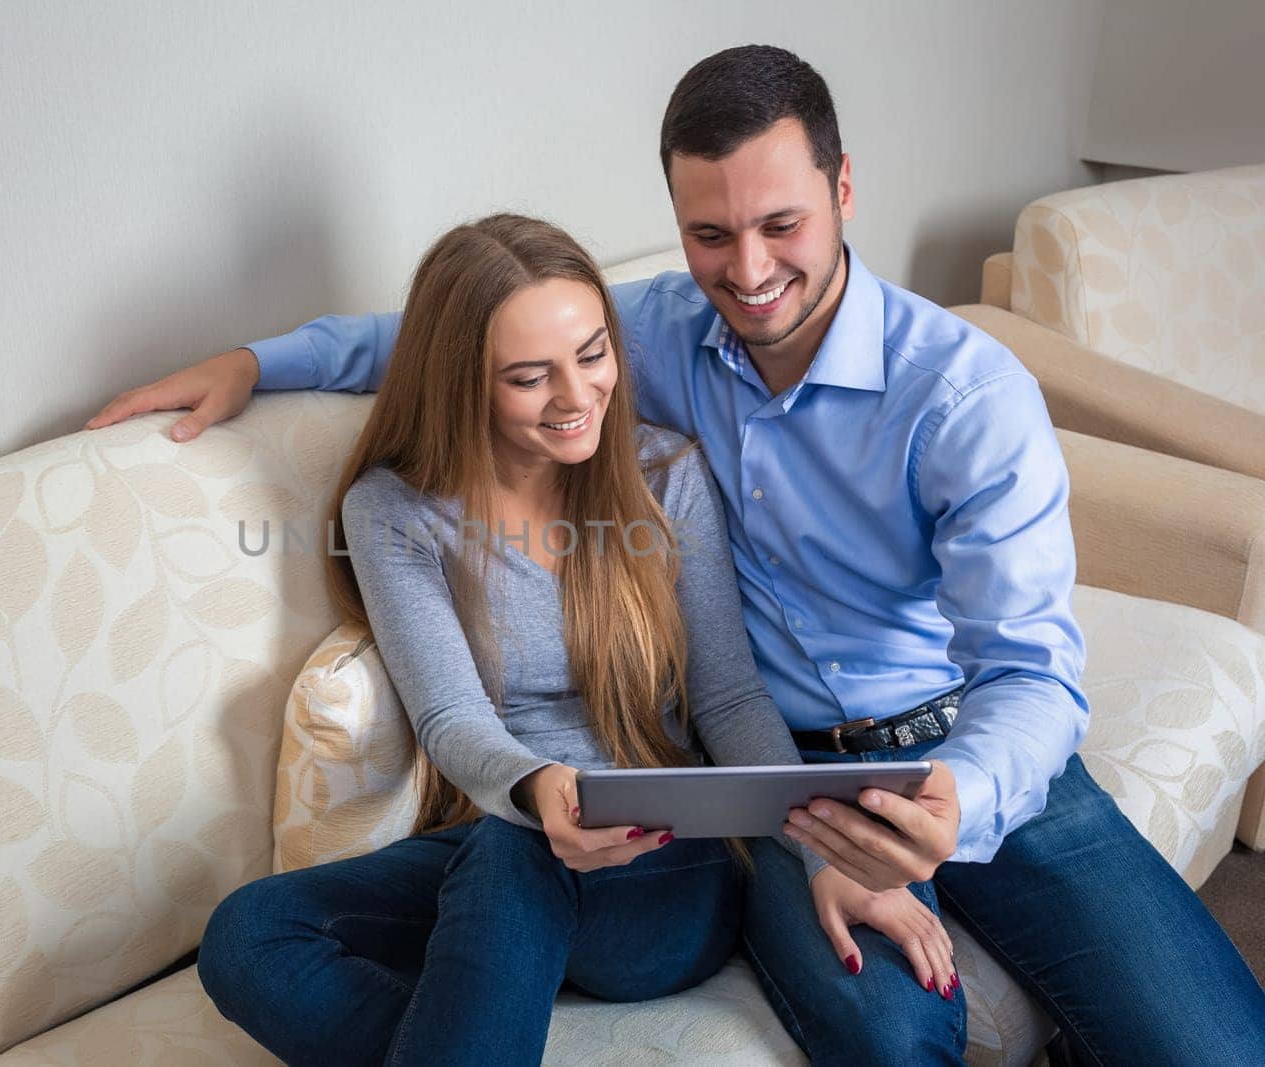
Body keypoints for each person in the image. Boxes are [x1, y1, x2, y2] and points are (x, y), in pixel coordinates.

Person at [92, 45, 1265, 1065]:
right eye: (709, 234)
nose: (747, 272)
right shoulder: (650, 333)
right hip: (773, 775)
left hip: (960, 740)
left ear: (844, 188)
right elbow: (455, 334)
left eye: (780, 225)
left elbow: (1033, 668)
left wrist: (956, 803)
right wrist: (260, 359)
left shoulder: (959, 396)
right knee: (890, 1038)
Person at [188, 214, 954, 1065]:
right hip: (510, 832)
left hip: (671, 864)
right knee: (249, 933)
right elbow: (448, 716)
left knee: (513, 857)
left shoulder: (665, 473)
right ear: (462, 383)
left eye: (593, 353)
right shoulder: (392, 510)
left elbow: (729, 696)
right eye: (528, 376)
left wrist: (816, 852)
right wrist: (535, 787)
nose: (578, 395)